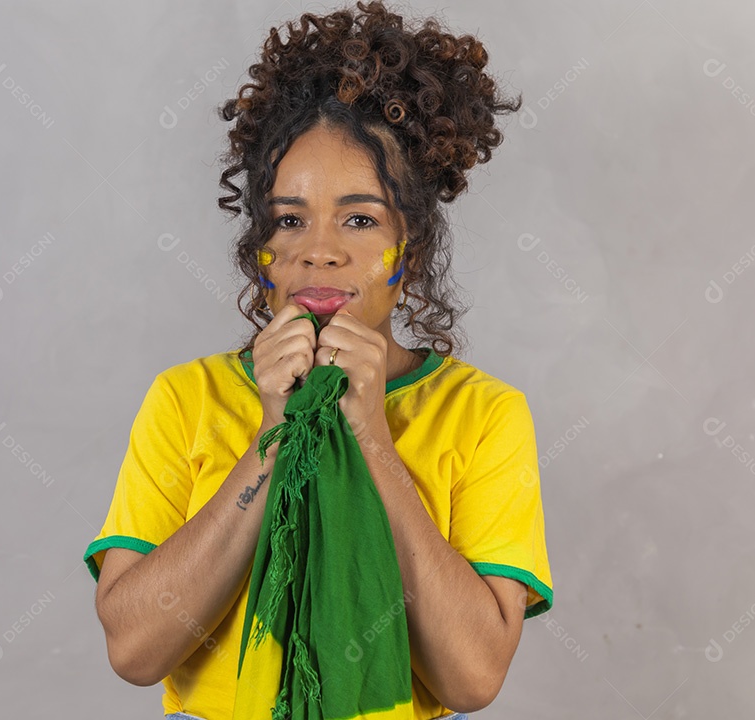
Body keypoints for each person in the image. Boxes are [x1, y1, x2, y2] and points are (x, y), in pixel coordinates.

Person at [84, 2, 553, 718]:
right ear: (260, 248)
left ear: (413, 249)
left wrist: (370, 434)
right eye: (290, 219)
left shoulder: (483, 414)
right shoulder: (186, 398)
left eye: (360, 219)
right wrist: (274, 440)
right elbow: (135, 651)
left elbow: (472, 679)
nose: (320, 249)